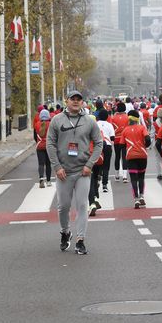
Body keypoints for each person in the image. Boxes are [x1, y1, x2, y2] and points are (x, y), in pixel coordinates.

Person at [46, 90, 103, 256]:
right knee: (63, 206)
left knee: (82, 205)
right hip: (63, 171)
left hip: (82, 171)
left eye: (79, 99)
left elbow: (98, 143)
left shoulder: (89, 121)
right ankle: (65, 232)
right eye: (73, 99)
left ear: (82, 102)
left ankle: (80, 240)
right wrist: (57, 167)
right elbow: (50, 144)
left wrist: (89, 164)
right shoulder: (57, 120)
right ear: (67, 101)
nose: (76, 102)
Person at [120, 110, 151, 209]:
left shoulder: (125, 130)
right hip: (142, 155)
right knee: (141, 177)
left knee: (133, 178)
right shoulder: (142, 128)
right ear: (137, 119)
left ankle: (136, 199)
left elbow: (121, 145)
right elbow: (148, 140)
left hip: (131, 156)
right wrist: (145, 146)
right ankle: (142, 196)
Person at [96, 109, 115, 193]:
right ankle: (105, 185)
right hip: (107, 145)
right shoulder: (109, 125)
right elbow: (112, 138)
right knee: (106, 165)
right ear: (107, 117)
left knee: (97, 163)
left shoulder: (95, 124)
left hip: (98, 145)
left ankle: (97, 180)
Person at [111, 102, 129, 183]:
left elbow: (112, 128)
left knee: (117, 157)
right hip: (125, 139)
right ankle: (125, 176)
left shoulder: (113, 118)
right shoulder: (127, 117)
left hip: (116, 139)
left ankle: (117, 175)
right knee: (124, 157)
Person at [35, 109, 52, 188]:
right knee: (48, 164)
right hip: (49, 146)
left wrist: (38, 142)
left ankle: (41, 179)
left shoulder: (37, 124)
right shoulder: (51, 124)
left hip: (39, 146)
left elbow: (35, 137)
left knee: (41, 163)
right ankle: (48, 181)